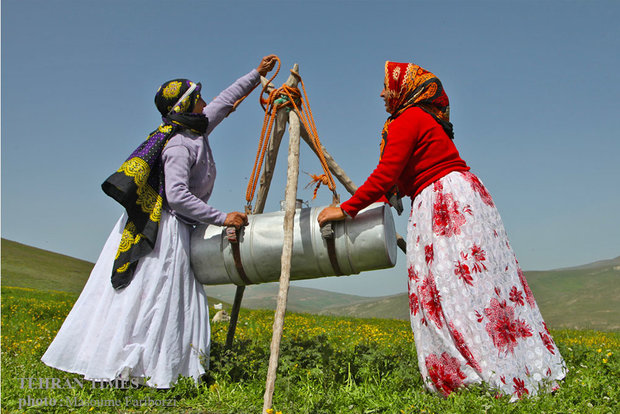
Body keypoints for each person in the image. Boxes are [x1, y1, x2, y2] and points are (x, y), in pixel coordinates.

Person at [318, 61, 567, 400]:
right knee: (481, 287)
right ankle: (520, 369)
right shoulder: (422, 119)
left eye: (386, 86)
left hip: (443, 202)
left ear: (403, 89)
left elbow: (385, 175)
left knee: (447, 291)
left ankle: (477, 378)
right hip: (459, 197)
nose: (381, 92)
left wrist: (345, 210)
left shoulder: (407, 120)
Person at [41, 55, 278, 388]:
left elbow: (224, 102)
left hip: (175, 223)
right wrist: (222, 218)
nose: (205, 100)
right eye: (198, 96)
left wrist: (257, 74)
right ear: (189, 106)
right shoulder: (180, 144)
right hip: (164, 228)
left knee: (160, 298)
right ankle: (138, 368)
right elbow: (177, 196)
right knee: (154, 296)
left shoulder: (194, 127)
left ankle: (152, 367)